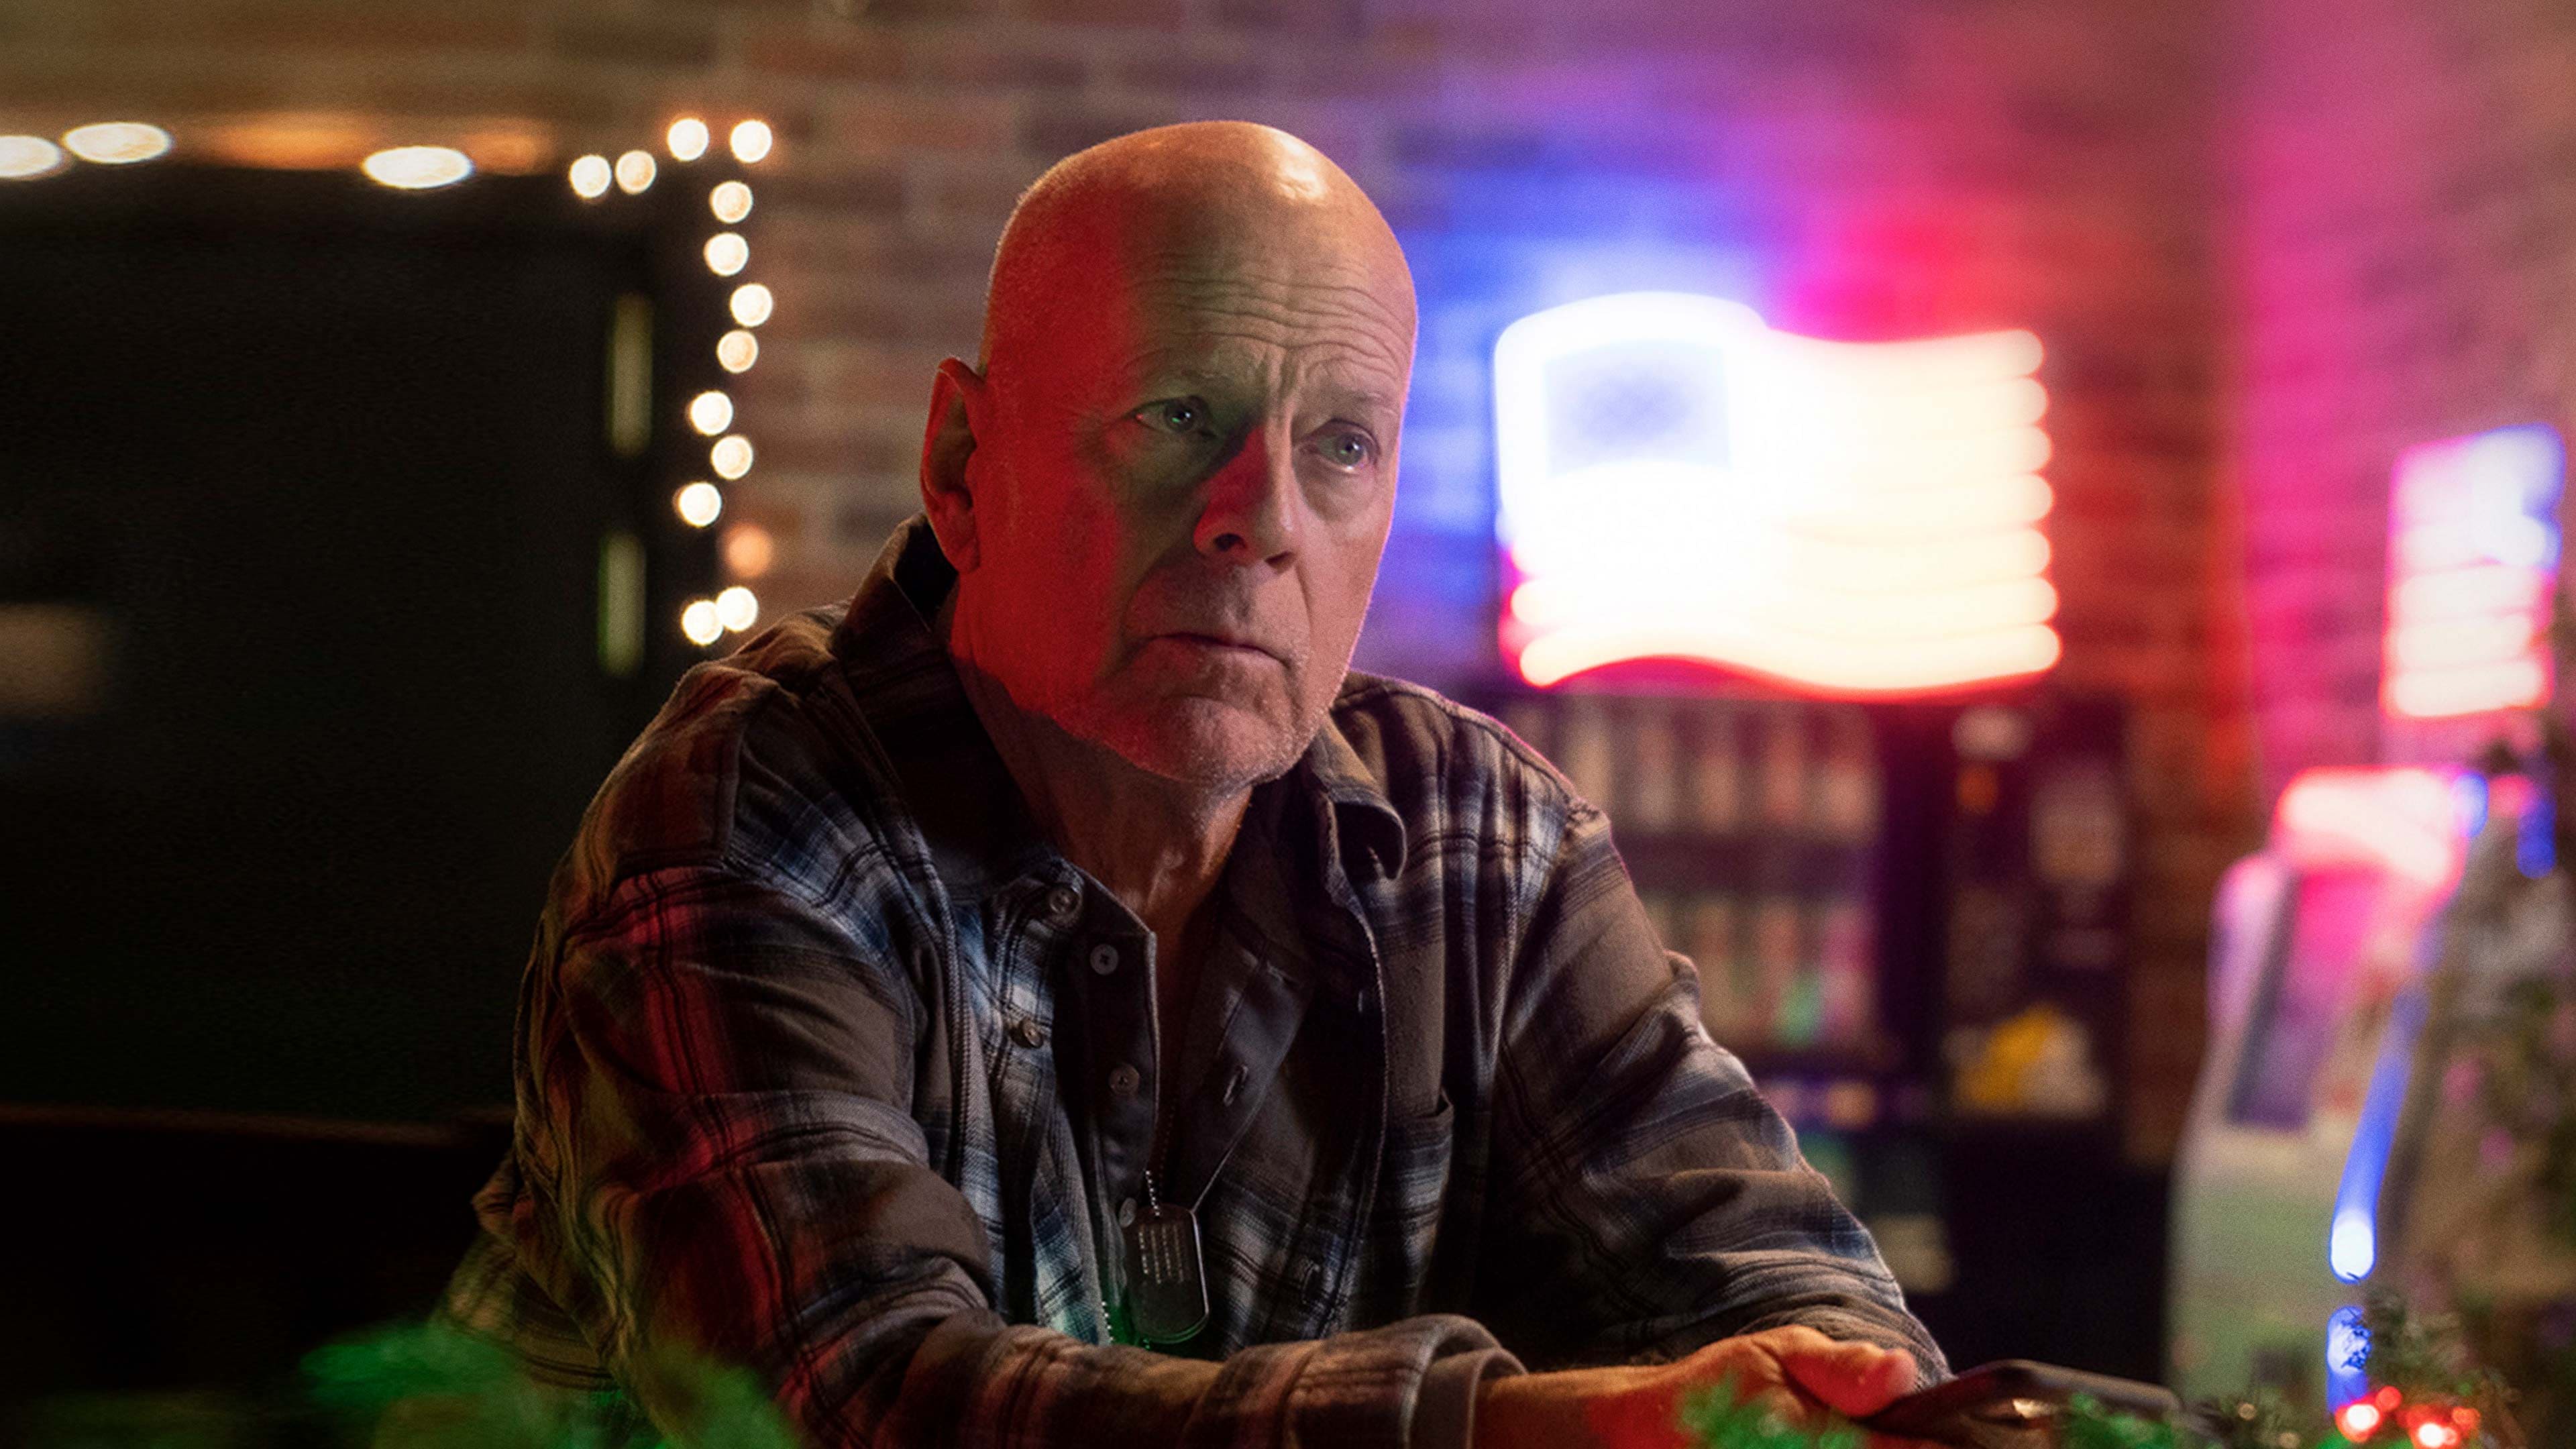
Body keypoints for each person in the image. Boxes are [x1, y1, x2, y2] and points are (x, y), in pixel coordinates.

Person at [436, 120, 1945, 1449]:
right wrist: (1508, 1430)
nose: (1260, 519)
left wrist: (1819, 1402)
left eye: (1339, 445)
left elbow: (1803, 1315)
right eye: (1176, 416)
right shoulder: (749, 815)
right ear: (961, 465)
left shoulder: (1489, 842)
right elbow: (855, 1405)